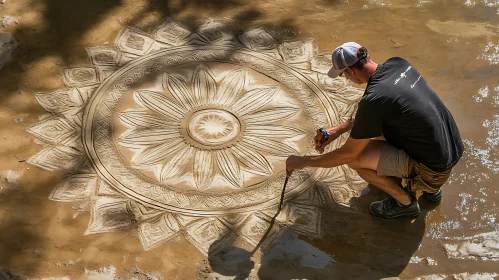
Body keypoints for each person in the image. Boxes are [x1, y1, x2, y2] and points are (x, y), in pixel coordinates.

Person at [286, 42, 464, 219]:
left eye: (343, 75)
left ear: (351, 71)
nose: (346, 79)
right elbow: (380, 112)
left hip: (432, 171)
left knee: (357, 160)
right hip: (451, 148)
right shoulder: (398, 64)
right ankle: (432, 192)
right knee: (390, 126)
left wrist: (303, 162)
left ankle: (405, 203)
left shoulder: (374, 98)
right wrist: (338, 130)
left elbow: (348, 154)